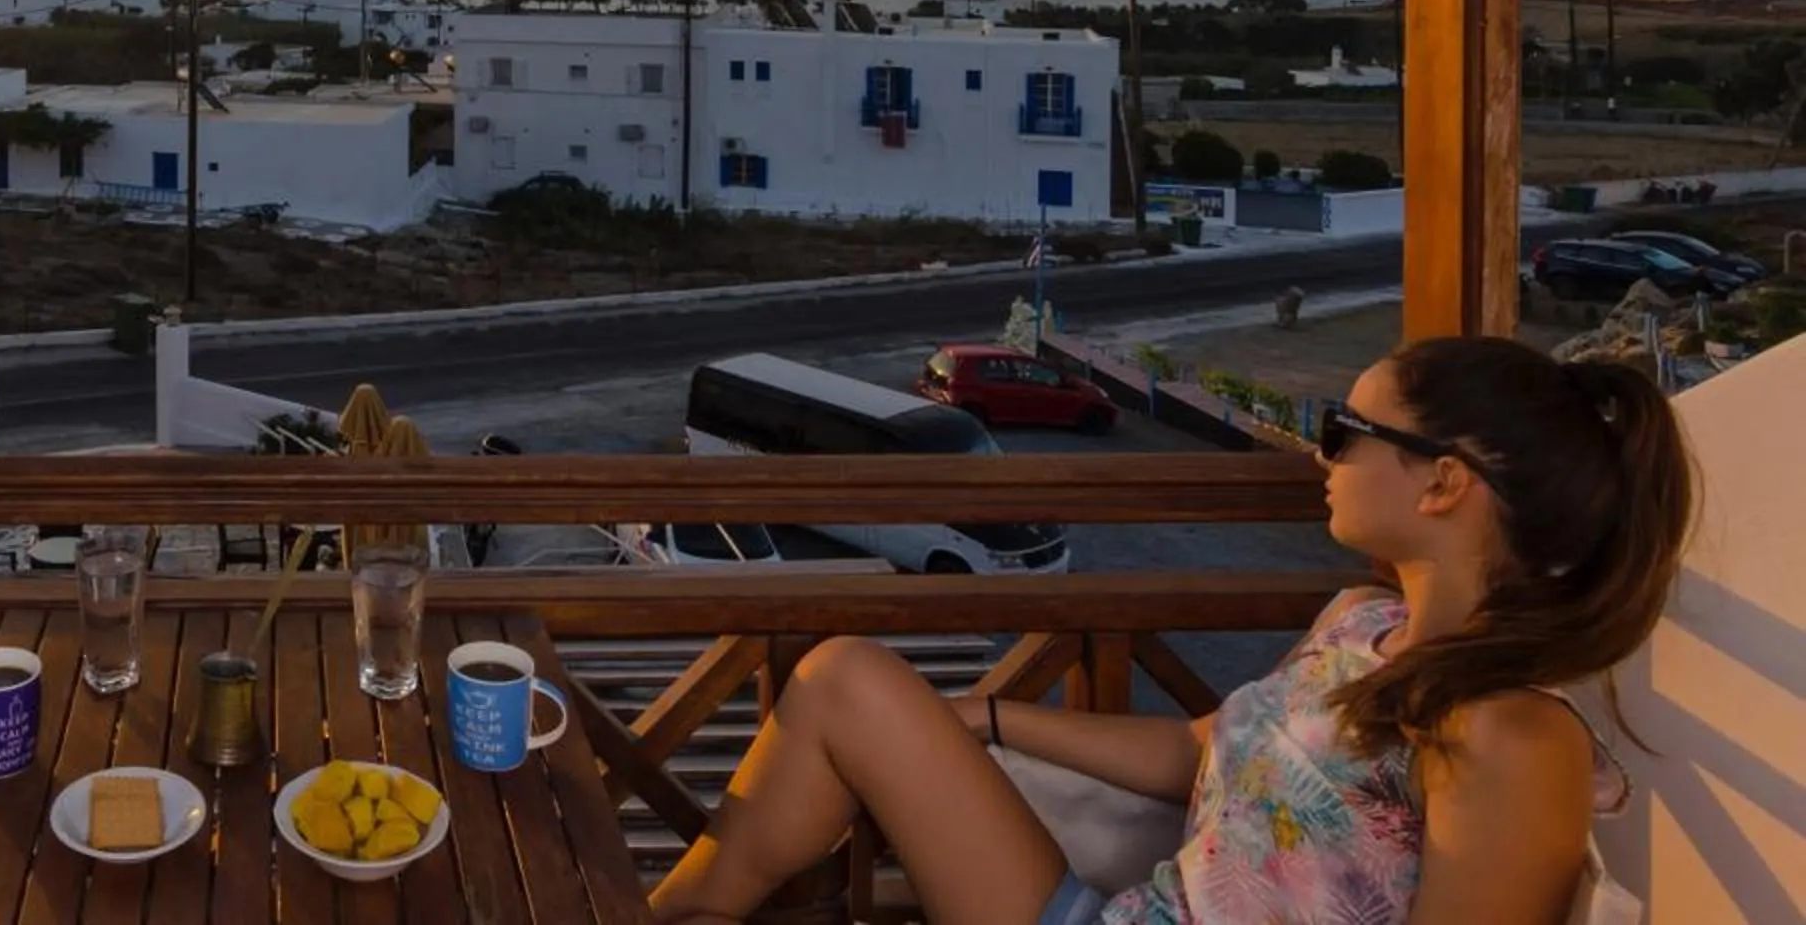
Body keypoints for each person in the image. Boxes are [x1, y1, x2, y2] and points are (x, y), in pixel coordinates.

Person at [650, 336, 1695, 925]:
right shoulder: (1360, 625)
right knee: (845, 680)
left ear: (1444, 483)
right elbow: (1197, 747)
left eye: (1346, 432)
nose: (1322, 456)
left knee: (842, 681)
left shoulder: (1511, 737)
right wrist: (986, 717)